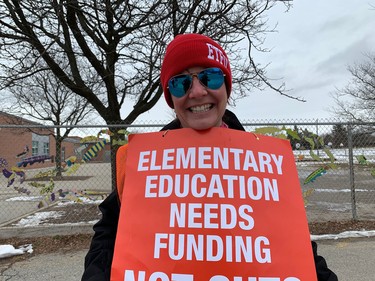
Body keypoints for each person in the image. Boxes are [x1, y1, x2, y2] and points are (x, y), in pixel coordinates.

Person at [82, 33, 338, 281]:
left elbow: (293, 246)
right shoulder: (143, 163)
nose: (196, 92)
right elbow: (109, 233)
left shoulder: (265, 164)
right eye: (180, 83)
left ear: (226, 87)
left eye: (210, 78)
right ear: (171, 97)